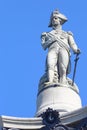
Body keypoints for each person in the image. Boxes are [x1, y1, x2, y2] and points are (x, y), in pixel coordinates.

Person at [41, 10, 80, 84]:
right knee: (50, 65)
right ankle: (50, 81)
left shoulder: (67, 34)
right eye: (52, 19)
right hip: (52, 50)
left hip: (64, 49)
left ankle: (63, 82)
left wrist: (76, 50)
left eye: (55, 18)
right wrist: (52, 39)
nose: (53, 20)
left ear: (60, 20)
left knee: (63, 68)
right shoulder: (47, 34)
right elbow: (44, 46)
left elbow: (72, 44)